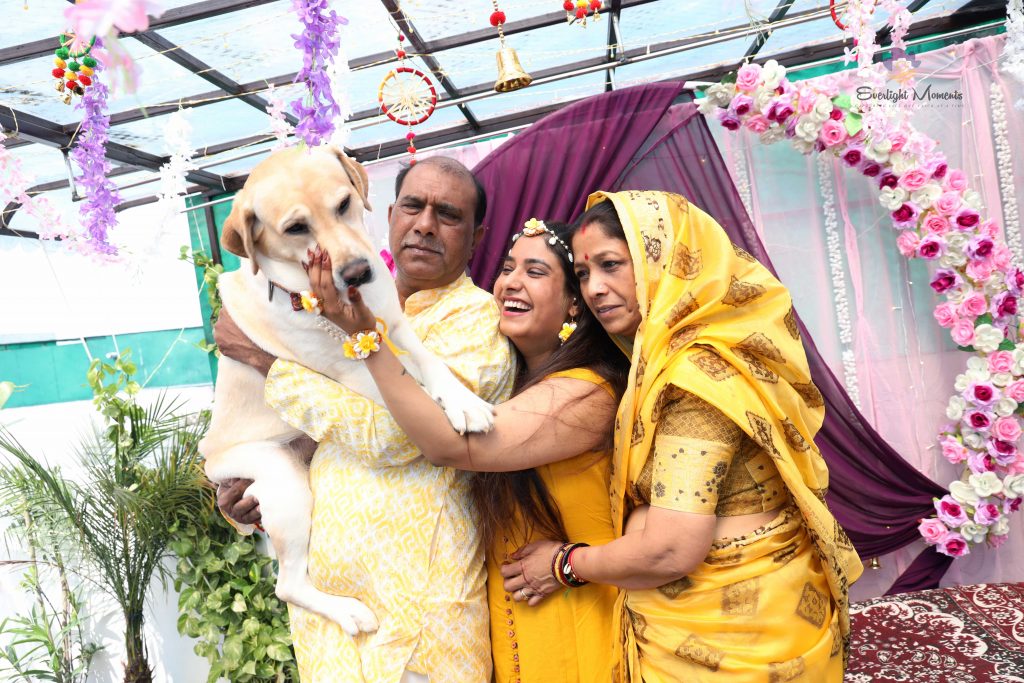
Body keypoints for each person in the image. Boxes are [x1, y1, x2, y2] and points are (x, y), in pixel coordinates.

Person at [503, 191, 864, 682]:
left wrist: (564, 564)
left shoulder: (694, 375)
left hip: (730, 641)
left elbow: (671, 548)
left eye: (611, 265)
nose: (595, 290)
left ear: (666, 263)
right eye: (585, 274)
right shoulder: (665, 361)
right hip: (729, 620)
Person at [216, 156, 515, 683]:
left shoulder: (480, 319)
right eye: (413, 207)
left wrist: (268, 364)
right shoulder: (323, 303)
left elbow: (394, 434)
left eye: (448, 214)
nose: (424, 224)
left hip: (420, 623)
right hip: (330, 633)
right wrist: (248, 493)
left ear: (477, 235)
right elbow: (271, 424)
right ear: (390, 211)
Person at [308, 217, 630, 682]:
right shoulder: (507, 385)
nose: (510, 283)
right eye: (507, 267)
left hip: (576, 619)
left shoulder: (586, 392)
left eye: (535, 272)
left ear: (574, 305)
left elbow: (448, 445)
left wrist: (365, 335)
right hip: (511, 621)